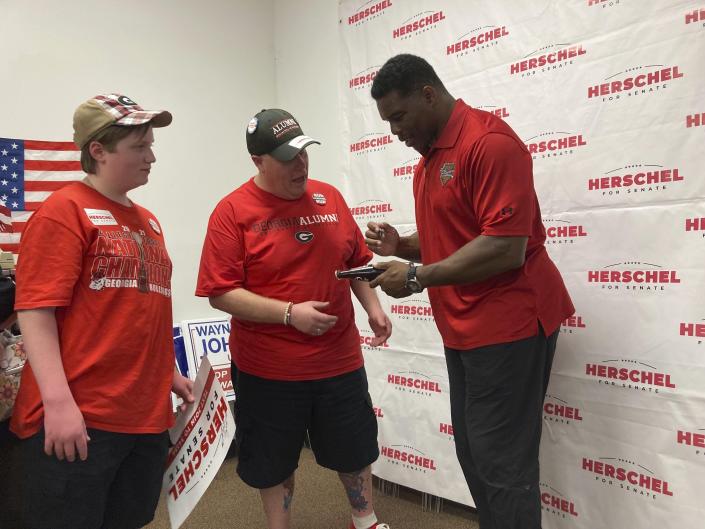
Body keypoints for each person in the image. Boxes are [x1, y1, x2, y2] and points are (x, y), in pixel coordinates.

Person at [366, 54, 575, 529]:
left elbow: (505, 247)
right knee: (476, 453)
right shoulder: (427, 162)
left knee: (503, 464)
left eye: (399, 117)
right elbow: (457, 233)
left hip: (512, 323)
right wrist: (404, 246)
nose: (395, 132)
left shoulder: (491, 143)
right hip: (466, 330)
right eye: (387, 122)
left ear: (428, 94)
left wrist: (416, 276)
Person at [196, 108, 392, 529]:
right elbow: (221, 292)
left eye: (304, 153)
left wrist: (373, 308)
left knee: (355, 448)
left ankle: (366, 519)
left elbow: (356, 263)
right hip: (269, 369)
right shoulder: (232, 212)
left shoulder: (329, 198)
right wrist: (288, 314)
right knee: (273, 460)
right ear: (258, 161)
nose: (300, 164)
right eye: (287, 157)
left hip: (339, 360)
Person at [10, 93, 194, 529]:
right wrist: (57, 403)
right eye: (140, 147)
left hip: (144, 415)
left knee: (127, 520)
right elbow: (35, 310)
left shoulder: (147, 220)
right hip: (83, 414)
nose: (152, 157)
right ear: (98, 150)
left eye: (152, 146)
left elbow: (137, 310)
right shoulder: (64, 211)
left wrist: (167, 372)